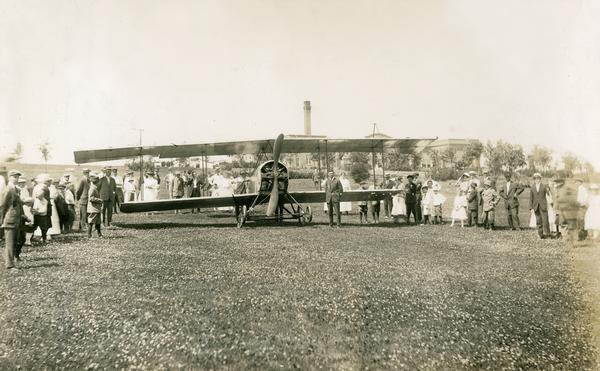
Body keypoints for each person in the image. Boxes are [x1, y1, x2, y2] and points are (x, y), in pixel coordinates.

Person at [1, 170, 23, 270]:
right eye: (14, 177)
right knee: (10, 243)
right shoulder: (8, 189)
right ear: (9, 177)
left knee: (14, 242)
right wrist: (1, 220)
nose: (16, 179)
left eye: (17, 177)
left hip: (15, 219)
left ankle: (11, 262)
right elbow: (2, 205)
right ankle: (9, 265)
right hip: (9, 219)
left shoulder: (14, 189)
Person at [529, 173, 552, 239]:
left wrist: (549, 188)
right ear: (534, 179)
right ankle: (540, 234)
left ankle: (548, 234)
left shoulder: (544, 186)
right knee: (538, 221)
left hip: (543, 206)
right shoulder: (532, 187)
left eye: (538, 178)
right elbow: (531, 198)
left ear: (540, 179)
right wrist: (531, 208)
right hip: (536, 206)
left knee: (545, 220)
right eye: (535, 179)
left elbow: (548, 193)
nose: (537, 180)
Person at [86, 172, 104, 238]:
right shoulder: (92, 188)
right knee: (91, 222)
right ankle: (89, 235)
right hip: (93, 208)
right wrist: (99, 200)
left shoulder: (95, 187)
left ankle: (99, 234)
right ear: (96, 182)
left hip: (96, 208)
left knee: (98, 222)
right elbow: (90, 198)